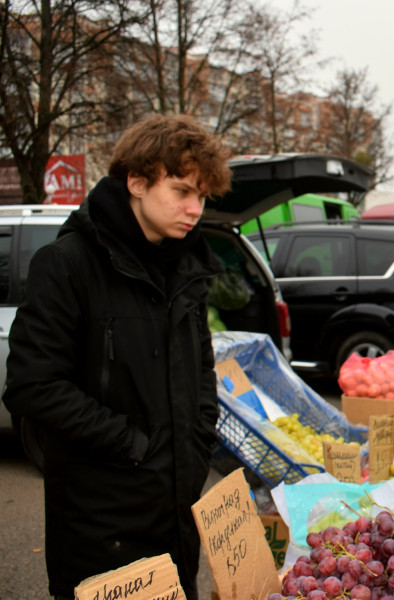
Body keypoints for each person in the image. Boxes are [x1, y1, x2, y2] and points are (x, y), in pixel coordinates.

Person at [2, 114, 232, 600]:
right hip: (99, 528)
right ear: (136, 180)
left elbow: (201, 370)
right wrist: (133, 445)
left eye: (202, 195)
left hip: (175, 516)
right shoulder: (67, 264)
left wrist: (195, 443)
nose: (195, 208)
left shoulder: (186, 269)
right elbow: (32, 385)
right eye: (181, 191)